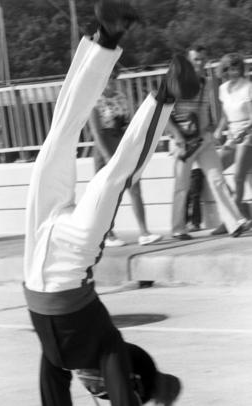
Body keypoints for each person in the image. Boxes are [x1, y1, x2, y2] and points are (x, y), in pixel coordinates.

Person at [23, 1, 200, 405]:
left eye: (94, 390)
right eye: (99, 387)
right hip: (72, 262)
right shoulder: (104, 346)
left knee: (58, 140)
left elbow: (53, 394)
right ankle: (162, 92)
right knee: (110, 180)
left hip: (38, 246)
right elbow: (118, 383)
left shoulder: (57, 360)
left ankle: (105, 39)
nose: (93, 388)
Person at [167, 45, 251, 241]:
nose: (200, 63)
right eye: (196, 59)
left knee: (217, 179)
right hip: (182, 144)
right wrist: (178, 138)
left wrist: (210, 131)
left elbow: (206, 112)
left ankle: (235, 223)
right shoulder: (175, 82)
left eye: (203, 59)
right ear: (188, 61)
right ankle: (178, 229)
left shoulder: (206, 83)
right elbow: (162, 115)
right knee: (182, 186)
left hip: (203, 141)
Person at [90, 69, 161, 247]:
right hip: (105, 147)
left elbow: (128, 123)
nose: (112, 81)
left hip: (121, 145)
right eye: (109, 77)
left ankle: (144, 232)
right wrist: (107, 156)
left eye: (114, 77)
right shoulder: (94, 100)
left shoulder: (121, 96)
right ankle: (107, 234)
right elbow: (96, 132)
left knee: (135, 187)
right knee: (107, 193)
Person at [212, 53, 252, 235]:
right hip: (232, 136)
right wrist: (219, 130)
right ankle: (239, 211)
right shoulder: (223, 89)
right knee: (215, 171)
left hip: (248, 135)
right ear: (224, 70)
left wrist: (243, 132)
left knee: (238, 177)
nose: (233, 72)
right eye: (229, 68)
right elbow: (225, 117)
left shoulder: (249, 87)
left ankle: (233, 221)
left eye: (236, 68)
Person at [76, 342, 181, 405]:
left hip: (87, 354)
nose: (158, 402)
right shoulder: (146, 387)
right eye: (164, 400)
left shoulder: (148, 368)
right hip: (95, 367)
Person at [185, 166, 204, 232]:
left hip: (195, 169)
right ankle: (186, 222)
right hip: (186, 170)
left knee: (194, 197)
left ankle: (195, 223)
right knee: (185, 198)